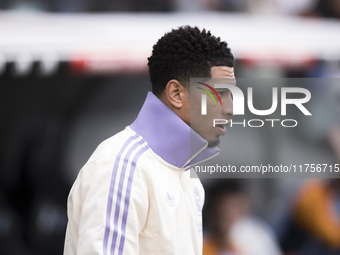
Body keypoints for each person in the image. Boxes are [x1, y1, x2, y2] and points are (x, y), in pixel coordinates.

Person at [63, 25, 234, 255]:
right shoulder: (122, 165)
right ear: (175, 93)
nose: (231, 108)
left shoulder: (189, 179)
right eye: (219, 93)